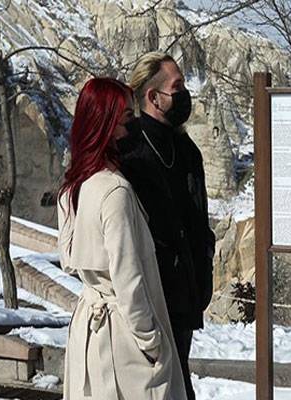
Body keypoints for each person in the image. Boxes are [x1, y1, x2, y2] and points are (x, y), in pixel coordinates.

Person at [57, 77, 187, 400]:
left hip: (87, 329)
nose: (132, 129)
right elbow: (129, 281)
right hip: (120, 338)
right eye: (127, 119)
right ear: (107, 125)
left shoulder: (73, 187)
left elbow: (68, 260)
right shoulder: (114, 191)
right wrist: (153, 343)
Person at [116, 52, 215, 400]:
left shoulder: (186, 150)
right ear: (153, 97)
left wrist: (202, 275)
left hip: (185, 296)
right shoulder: (128, 152)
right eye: (178, 87)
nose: (185, 95)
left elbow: (198, 222)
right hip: (151, 297)